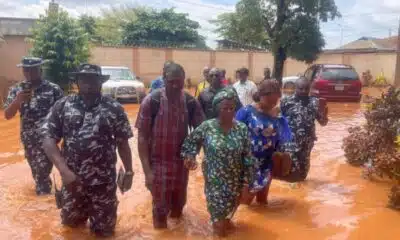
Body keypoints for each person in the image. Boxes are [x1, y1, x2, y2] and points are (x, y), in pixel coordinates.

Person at [41, 64, 134, 237]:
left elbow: (123, 143)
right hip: (72, 182)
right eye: (84, 79)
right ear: (76, 81)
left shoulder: (114, 108)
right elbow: (48, 140)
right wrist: (64, 170)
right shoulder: (62, 106)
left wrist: (129, 171)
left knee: (104, 232)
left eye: (93, 79)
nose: (88, 83)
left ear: (100, 82)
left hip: (103, 184)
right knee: (71, 229)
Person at [136, 63, 205, 229]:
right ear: (164, 79)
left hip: (182, 165)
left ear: (184, 81)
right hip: (158, 165)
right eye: (171, 81)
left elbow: (201, 132)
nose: (175, 85)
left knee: (178, 209)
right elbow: (142, 138)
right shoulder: (152, 101)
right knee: (160, 212)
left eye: (179, 82)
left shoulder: (190, 101)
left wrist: (192, 153)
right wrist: (147, 172)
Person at [181, 88, 255, 237]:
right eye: (224, 108)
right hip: (215, 184)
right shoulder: (207, 127)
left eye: (231, 108)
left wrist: (247, 185)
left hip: (236, 183)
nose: (228, 111)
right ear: (216, 109)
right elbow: (190, 143)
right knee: (219, 227)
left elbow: (248, 158)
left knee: (227, 220)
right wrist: (190, 157)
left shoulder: (241, 129)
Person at [3, 57, 64, 195]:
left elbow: (64, 113)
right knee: (36, 171)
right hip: (28, 139)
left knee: (42, 172)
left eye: (33, 70)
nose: (29, 73)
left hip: (48, 138)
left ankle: (43, 202)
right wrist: (17, 100)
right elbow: (7, 115)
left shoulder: (53, 89)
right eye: (26, 70)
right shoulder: (16, 90)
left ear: (40, 70)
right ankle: (46, 197)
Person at [236, 79, 292, 205]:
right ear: (262, 96)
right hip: (248, 163)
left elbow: (284, 138)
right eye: (270, 101)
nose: (273, 104)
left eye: (275, 101)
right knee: (245, 202)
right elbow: (234, 134)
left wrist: (284, 155)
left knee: (262, 201)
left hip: (267, 163)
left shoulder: (277, 115)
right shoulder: (246, 112)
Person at [280, 77, 328, 181]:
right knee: (292, 167)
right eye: (301, 88)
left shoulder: (315, 102)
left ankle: (301, 189)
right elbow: (278, 120)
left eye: (306, 88)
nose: (304, 91)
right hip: (290, 142)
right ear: (295, 88)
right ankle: (292, 188)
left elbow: (323, 123)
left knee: (303, 170)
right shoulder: (285, 102)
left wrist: (324, 114)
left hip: (307, 142)